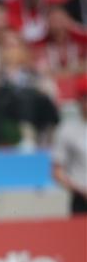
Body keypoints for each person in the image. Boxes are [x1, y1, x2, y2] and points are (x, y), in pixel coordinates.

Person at [50, 78, 87, 214]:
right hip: (81, 199)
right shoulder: (67, 130)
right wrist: (80, 190)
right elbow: (57, 171)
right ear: (79, 101)